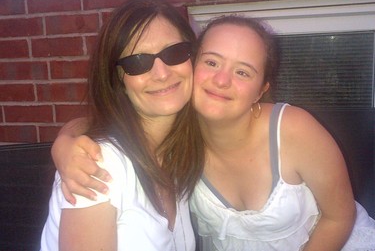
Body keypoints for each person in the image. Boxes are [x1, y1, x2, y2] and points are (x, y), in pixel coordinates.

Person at [50, 15, 375, 251]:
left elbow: (339, 216)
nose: (221, 81)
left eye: (242, 71)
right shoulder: (177, 130)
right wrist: (65, 144)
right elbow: (101, 125)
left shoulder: (294, 129)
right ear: (193, 66)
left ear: (261, 89)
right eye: (212, 62)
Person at [40, 0, 205, 251]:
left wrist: (65, 137)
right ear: (119, 80)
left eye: (174, 52)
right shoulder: (100, 166)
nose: (161, 73)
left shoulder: (175, 156)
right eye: (137, 62)